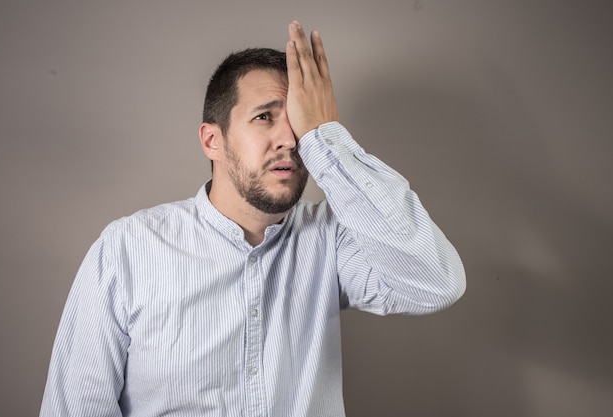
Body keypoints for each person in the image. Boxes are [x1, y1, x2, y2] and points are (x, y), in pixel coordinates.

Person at [40, 20, 466, 417]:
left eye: (300, 123)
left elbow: (435, 283)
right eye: (265, 117)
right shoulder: (127, 249)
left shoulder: (333, 239)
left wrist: (326, 138)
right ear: (213, 140)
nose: (290, 139)